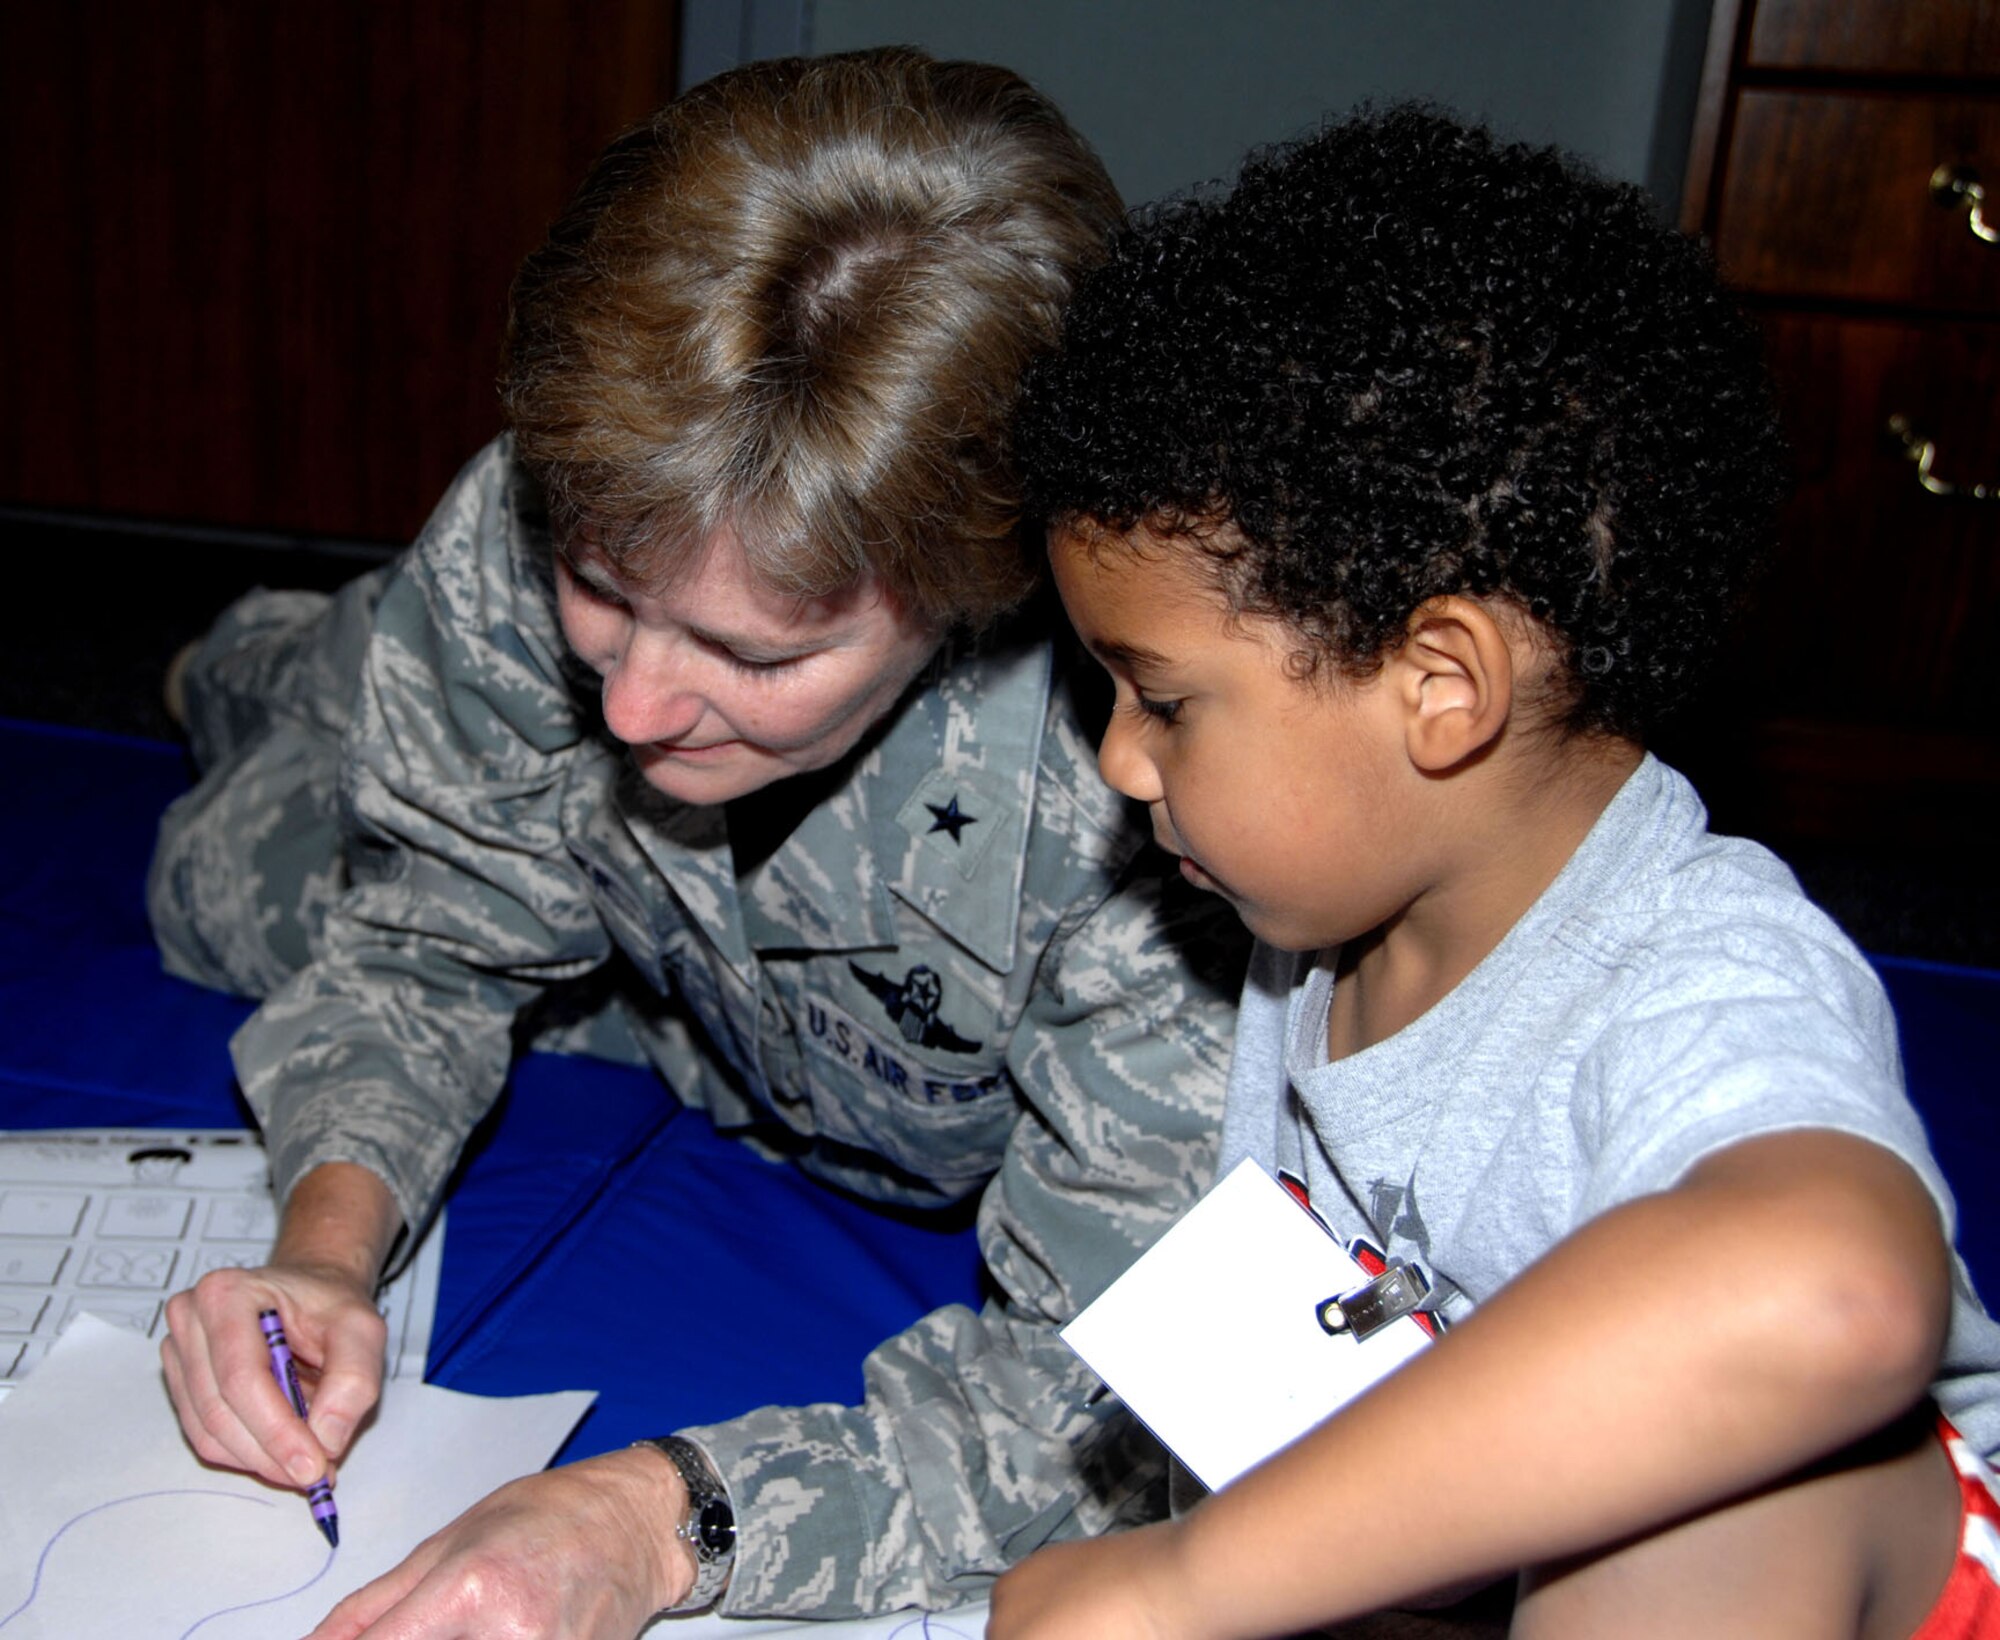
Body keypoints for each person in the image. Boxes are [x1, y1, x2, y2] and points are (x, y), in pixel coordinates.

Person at [148, 49, 1245, 1636]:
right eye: (602, 581)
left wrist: (649, 1520)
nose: (642, 704)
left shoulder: (1161, 798)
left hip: (659, 986)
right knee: (213, 885)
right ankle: (279, 656)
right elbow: (421, 933)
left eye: (754, 652)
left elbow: (1115, 1399)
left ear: (977, 592)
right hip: (640, 924)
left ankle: (326, 652)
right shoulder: (537, 525)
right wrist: (326, 1255)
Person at [997, 104, 2000, 1639]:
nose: (1120, 762)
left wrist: (1181, 1586)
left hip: (1898, 1575)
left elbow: (1834, 1292)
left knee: (1700, 1507)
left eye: (1166, 701)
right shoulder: (1319, 933)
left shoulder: (1700, 965)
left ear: (1442, 689)